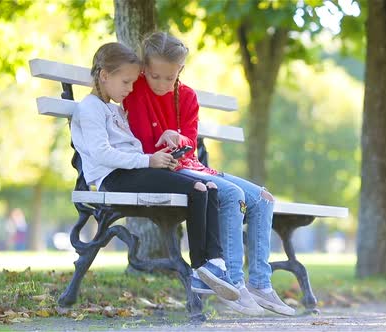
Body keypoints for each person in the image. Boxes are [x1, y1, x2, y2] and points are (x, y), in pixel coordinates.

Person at [123, 32, 295, 316]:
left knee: (264, 198)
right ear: (144, 68)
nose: (163, 84)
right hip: (164, 169)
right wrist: (162, 138)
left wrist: (178, 137)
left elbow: (190, 142)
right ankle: (233, 283)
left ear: (180, 71)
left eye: (171, 77)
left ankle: (260, 284)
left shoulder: (187, 96)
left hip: (192, 167)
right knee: (231, 194)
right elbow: (139, 143)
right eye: (156, 76)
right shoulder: (137, 90)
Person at [70, 42, 239, 302]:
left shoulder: (113, 109)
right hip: (115, 179)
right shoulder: (90, 108)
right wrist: (149, 161)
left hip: (134, 173)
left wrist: (163, 145)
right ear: (104, 75)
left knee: (210, 187)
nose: (130, 88)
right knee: (196, 187)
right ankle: (199, 268)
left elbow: (133, 146)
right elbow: (102, 154)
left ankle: (213, 263)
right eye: (126, 82)